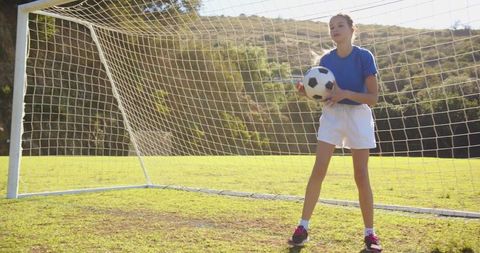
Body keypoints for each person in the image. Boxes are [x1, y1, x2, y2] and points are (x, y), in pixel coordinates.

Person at [289, 13, 382, 252]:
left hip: (358, 115)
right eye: (331, 27)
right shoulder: (325, 61)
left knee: (361, 175)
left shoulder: (364, 56)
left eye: (340, 25)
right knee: (319, 169)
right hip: (332, 115)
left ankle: (370, 234)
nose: (335, 29)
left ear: (352, 29)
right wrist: (305, 92)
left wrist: (346, 93)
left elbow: (373, 98)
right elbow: (323, 94)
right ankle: (303, 227)